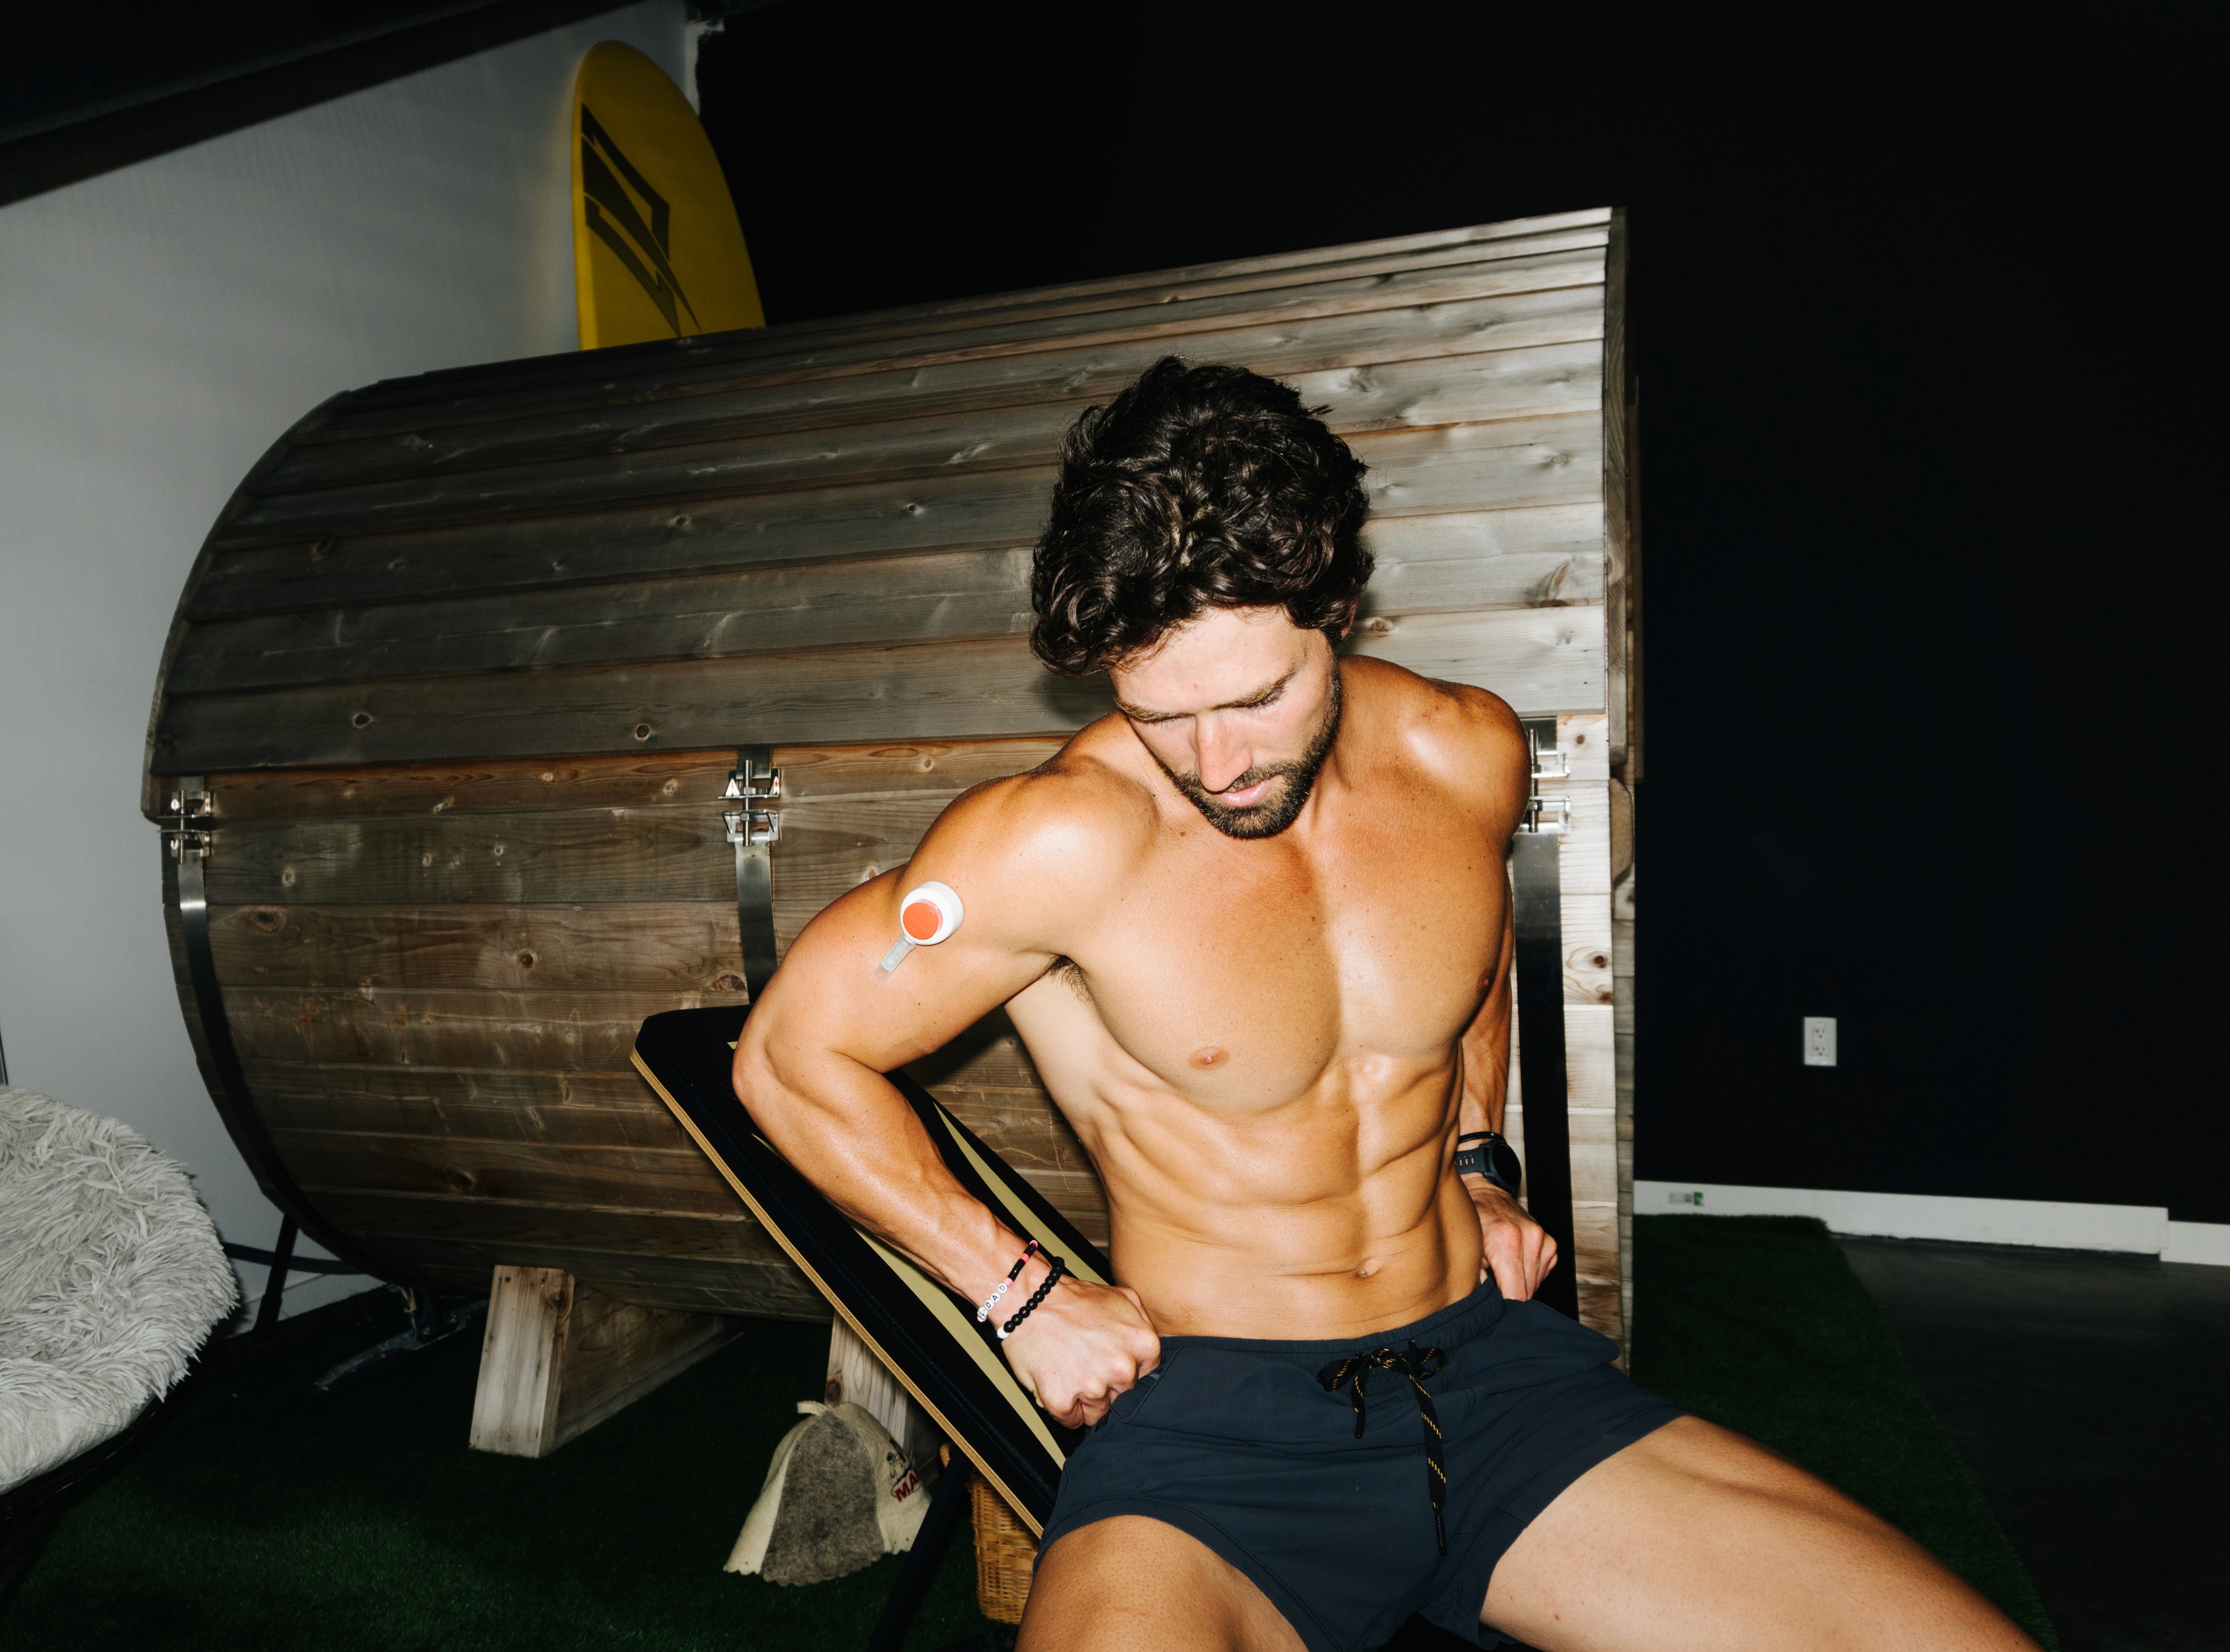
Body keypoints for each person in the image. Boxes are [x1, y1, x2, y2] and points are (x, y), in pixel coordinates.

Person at [733, 357, 2035, 1652]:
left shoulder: (1464, 754)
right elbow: (794, 1055)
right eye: (1160, 715)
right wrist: (1015, 1292)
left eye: (1254, 696)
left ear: (1334, 609)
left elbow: (1468, 972)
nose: (1217, 763)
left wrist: (1477, 1159)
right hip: (1213, 1444)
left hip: (1493, 1382)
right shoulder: (1060, 842)